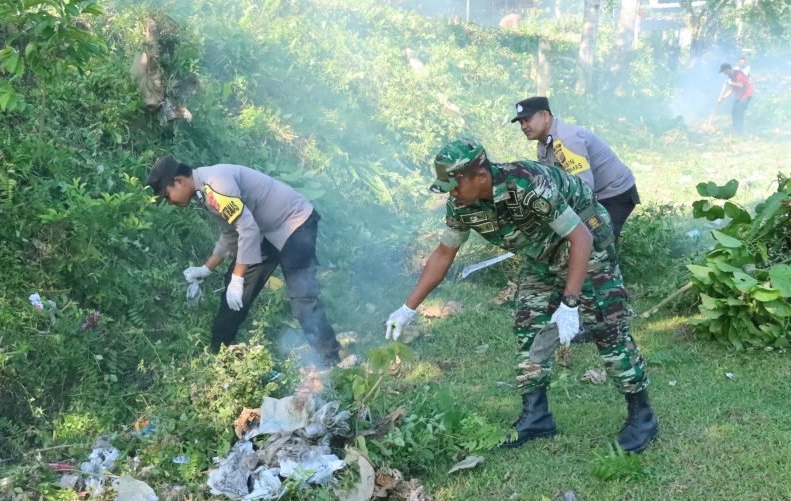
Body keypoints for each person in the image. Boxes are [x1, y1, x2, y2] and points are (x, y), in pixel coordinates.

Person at [384, 139, 658, 452]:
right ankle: (537, 417)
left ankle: (642, 417)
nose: (452, 193)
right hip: (542, 253)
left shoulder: (529, 185)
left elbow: (580, 238)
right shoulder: (461, 205)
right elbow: (444, 253)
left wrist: (570, 304)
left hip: (587, 242)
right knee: (529, 322)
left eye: (455, 186)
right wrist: (408, 308)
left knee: (606, 326)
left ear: (480, 176)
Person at [146, 156, 341, 365]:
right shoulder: (204, 192)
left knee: (302, 297)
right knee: (234, 283)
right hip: (265, 231)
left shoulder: (216, 184)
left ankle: (330, 358)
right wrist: (206, 269)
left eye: (167, 195)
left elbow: (247, 229)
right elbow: (231, 233)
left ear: (179, 181)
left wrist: (238, 279)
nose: (170, 202)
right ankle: (221, 351)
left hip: (294, 223)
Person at [511, 96, 639, 240]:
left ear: (545, 116)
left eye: (527, 120)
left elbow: (584, 188)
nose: (523, 126)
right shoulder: (544, 142)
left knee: (597, 242)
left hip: (614, 194)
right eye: (521, 122)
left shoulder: (566, 140)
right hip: (596, 193)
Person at [718, 62, 753, 136]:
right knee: (734, 112)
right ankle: (736, 130)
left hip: (746, 95)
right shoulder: (731, 77)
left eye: (724, 72)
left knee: (738, 112)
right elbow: (732, 89)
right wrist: (723, 98)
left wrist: (731, 83)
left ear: (728, 70)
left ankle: (739, 132)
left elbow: (741, 85)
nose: (724, 74)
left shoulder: (739, 74)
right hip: (740, 96)